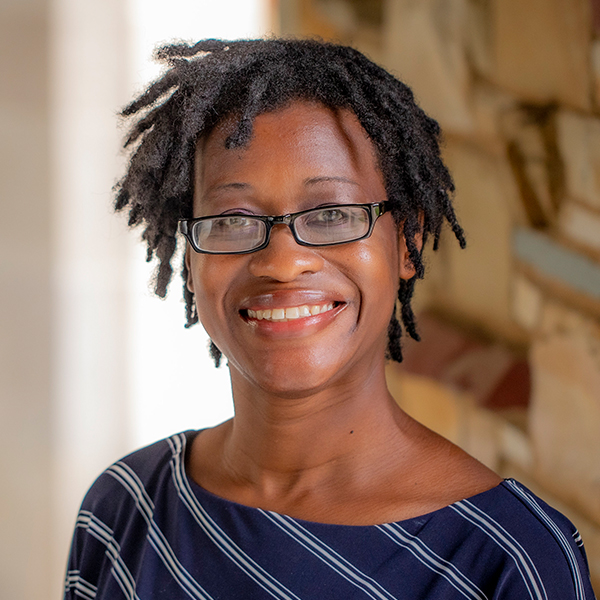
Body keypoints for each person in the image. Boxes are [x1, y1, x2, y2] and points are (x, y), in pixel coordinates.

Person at [64, 38, 596, 599]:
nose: (283, 262)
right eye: (232, 220)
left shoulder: (506, 558)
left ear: (407, 242)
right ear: (191, 260)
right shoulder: (124, 511)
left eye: (334, 214)